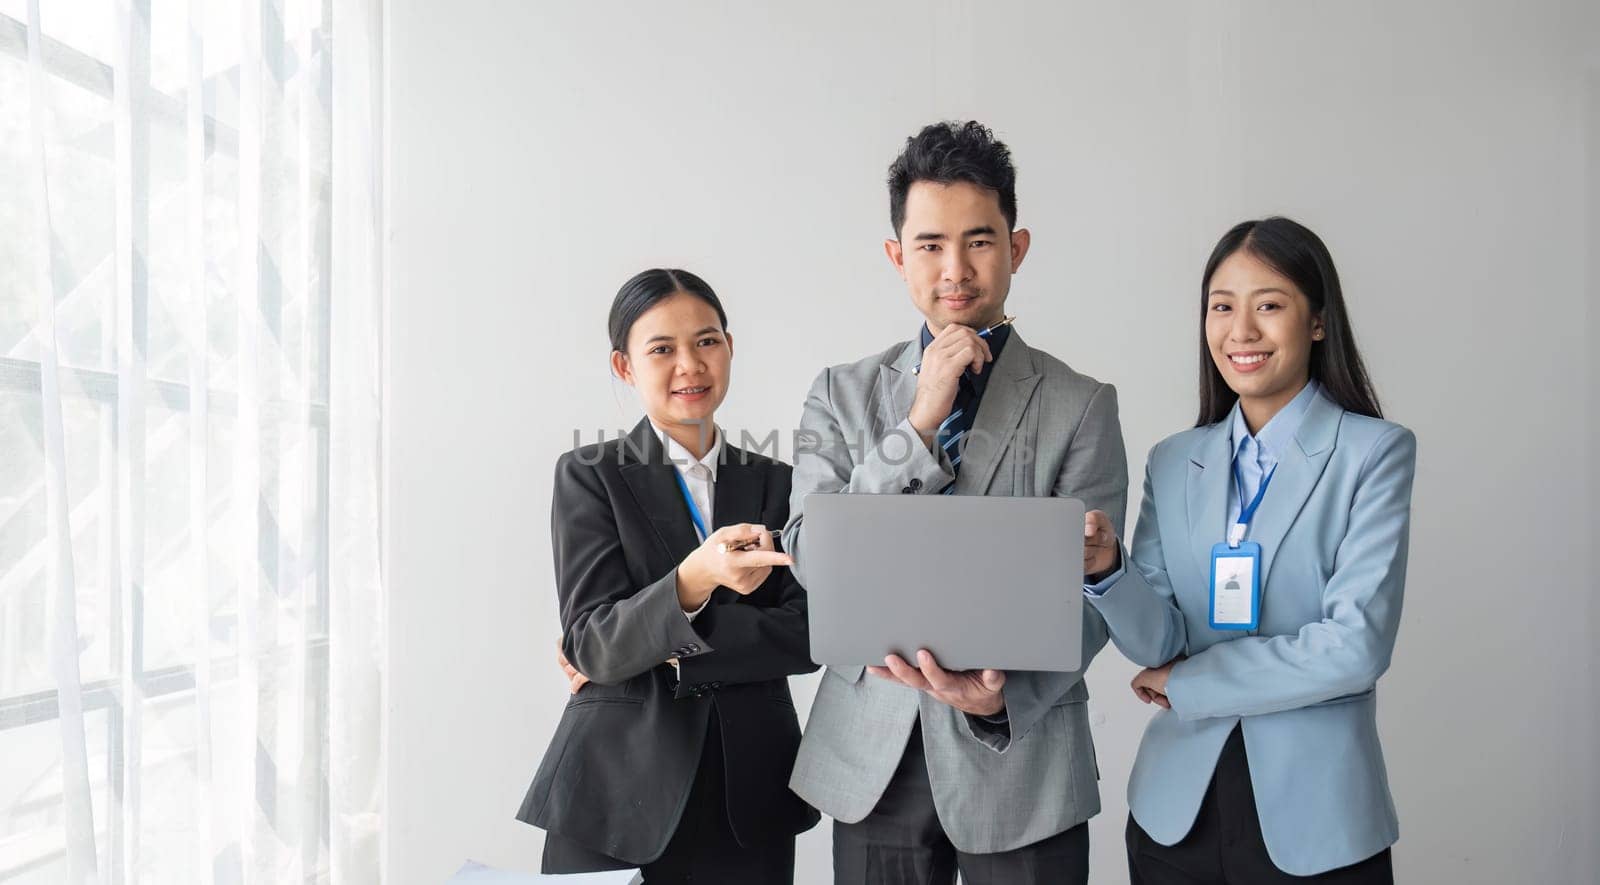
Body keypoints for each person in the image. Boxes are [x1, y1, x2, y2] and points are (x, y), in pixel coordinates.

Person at [781, 121, 1129, 885]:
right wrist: (917, 422)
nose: (955, 268)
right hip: (873, 756)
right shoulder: (840, 394)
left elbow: (1096, 596)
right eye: (930, 244)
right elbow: (811, 556)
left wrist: (996, 700)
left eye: (979, 240)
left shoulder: (1081, 403)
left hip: (1023, 758)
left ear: (1017, 247)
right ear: (896, 256)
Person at [1082, 217, 1415, 883]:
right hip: (1173, 816)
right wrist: (1109, 571)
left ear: (1318, 321)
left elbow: (1355, 646)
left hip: (1320, 822)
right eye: (1221, 307)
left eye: (1269, 305)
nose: (1241, 331)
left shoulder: (1373, 451)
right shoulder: (1175, 461)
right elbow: (1159, 639)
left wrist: (1194, 682)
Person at [516, 268, 820, 883]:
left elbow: (811, 632)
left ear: (729, 349)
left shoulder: (779, 482)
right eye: (661, 349)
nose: (690, 365)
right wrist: (693, 579)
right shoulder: (591, 475)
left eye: (706, 341)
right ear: (625, 367)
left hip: (749, 793)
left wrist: (665, 648)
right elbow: (593, 641)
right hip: (613, 796)